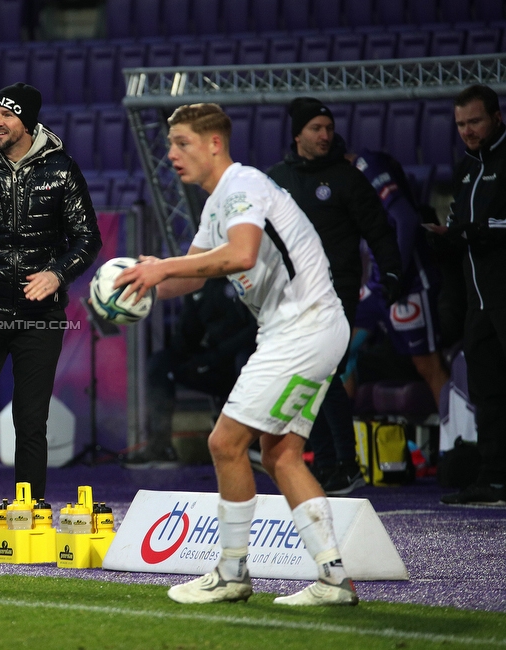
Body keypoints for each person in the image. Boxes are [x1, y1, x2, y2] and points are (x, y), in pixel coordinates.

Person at [116, 103, 358, 606]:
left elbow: (240, 255)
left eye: (181, 142)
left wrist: (163, 268)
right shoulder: (217, 203)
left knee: (225, 442)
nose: (171, 153)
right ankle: (334, 580)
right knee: (281, 454)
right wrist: (139, 286)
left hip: (303, 326)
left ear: (214, 144)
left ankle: (231, 574)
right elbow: (190, 273)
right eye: (170, 144)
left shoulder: (244, 186)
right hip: (304, 328)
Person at [0, 83, 102, 552]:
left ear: (26, 123)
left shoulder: (61, 169)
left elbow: (87, 238)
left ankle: (29, 517)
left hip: (39, 314)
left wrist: (56, 272)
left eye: (5, 116)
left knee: (31, 422)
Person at [267, 98, 403, 496]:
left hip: (336, 290)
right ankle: (326, 466)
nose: (325, 135)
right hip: (289, 294)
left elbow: (379, 230)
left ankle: (345, 465)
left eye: (328, 128)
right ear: (297, 134)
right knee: (306, 379)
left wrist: (391, 270)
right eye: (316, 128)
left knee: (324, 372)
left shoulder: (347, 178)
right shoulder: (277, 179)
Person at [427, 84, 506, 506]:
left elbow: (486, 227)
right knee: (487, 393)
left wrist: (474, 231)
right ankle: (494, 480)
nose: (467, 131)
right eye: (460, 124)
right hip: (479, 303)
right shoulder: (465, 170)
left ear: (496, 116)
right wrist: (440, 237)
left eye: (474, 121)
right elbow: (458, 227)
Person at [347, 149, 449, 407]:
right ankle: (343, 446)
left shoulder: (366, 166)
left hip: (408, 282)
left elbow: (406, 218)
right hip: (377, 284)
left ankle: (453, 442)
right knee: (337, 353)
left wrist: (397, 274)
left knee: (427, 366)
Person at [130, 277, 257, 467]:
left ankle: (254, 444)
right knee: (160, 363)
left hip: (248, 361)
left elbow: (255, 330)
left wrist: (214, 357)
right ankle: (160, 447)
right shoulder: (199, 283)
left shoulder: (246, 276)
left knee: (245, 359)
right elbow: (188, 335)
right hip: (214, 364)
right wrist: (182, 351)